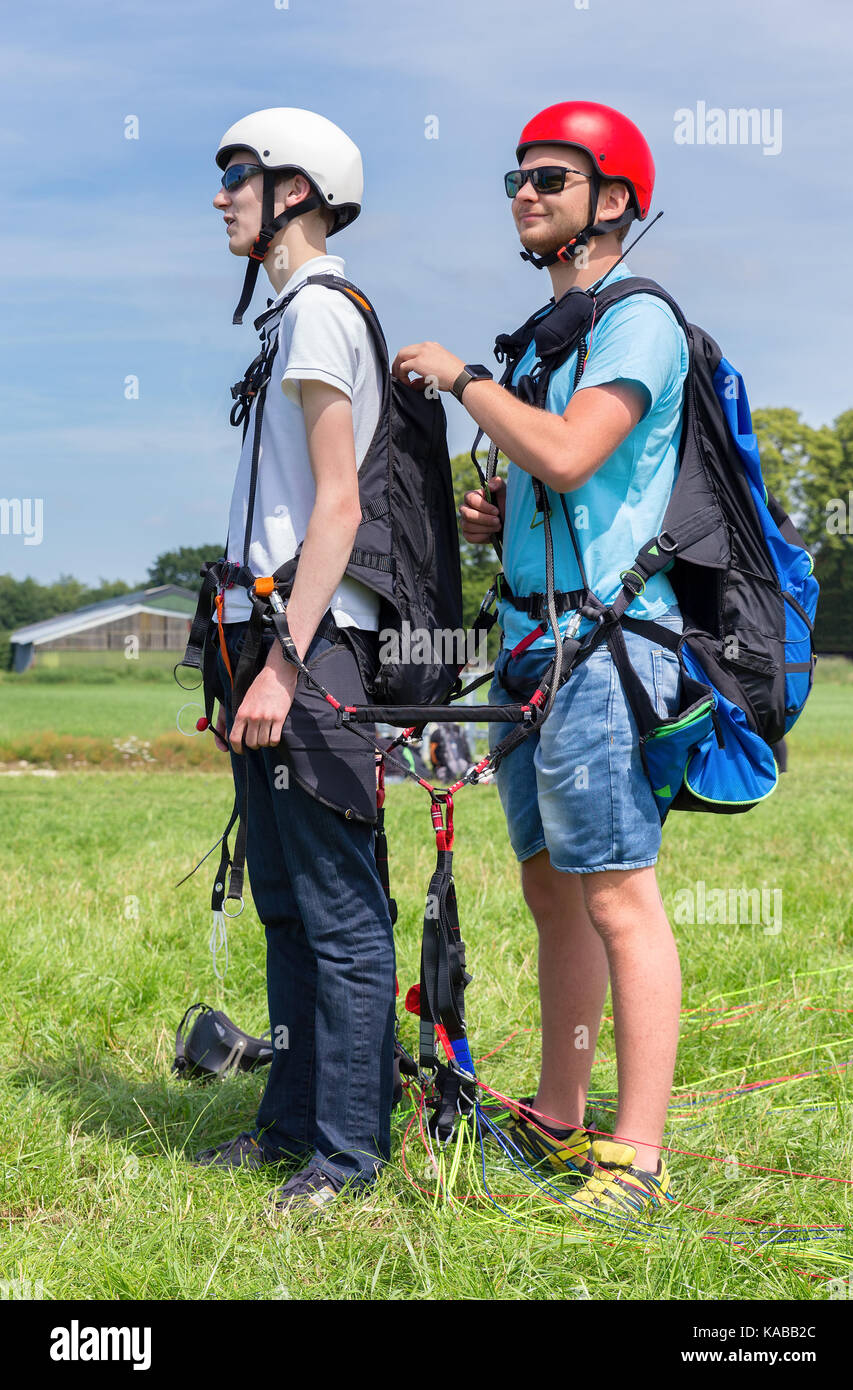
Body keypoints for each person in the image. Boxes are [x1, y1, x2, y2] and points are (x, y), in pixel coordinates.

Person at [392, 101, 688, 1218]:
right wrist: (494, 513)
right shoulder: (544, 335)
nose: (523, 192)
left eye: (550, 177)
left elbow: (571, 453)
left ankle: (637, 1159)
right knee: (548, 892)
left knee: (616, 897)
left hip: (601, 647)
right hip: (529, 642)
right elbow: (547, 479)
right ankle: (558, 1123)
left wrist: (464, 379)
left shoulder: (637, 322)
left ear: (611, 200)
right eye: (515, 177)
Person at [193, 108, 396, 1217]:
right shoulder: (281, 322)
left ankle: (348, 1160)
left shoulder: (318, 314)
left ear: (296, 192)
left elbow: (337, 504)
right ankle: (288, 1131)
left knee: (338, 911)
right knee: (282, 902)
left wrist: (281, 664)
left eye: (237, 174)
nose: (220, 194)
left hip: (309, 656)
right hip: (267, 649)